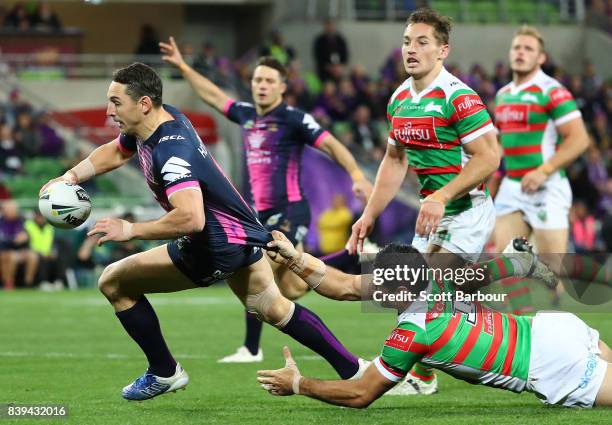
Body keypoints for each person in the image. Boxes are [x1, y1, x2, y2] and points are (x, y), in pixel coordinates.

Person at [39, 63, 368, 401]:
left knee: (113, 282)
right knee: (273, 306)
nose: (109, 111)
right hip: (244, 231)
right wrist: (71, 178)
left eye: (115, 102)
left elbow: (192, 218)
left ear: (144, 104)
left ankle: (164, 372)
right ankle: (355, 369)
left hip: (213, 244)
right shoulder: (160, 121)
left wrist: (131, 229)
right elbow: (117, 150)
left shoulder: (172, 152)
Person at [160, 38, 373, 363]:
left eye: (269, 81)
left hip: (289, 211)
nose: (262, 85)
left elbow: (331, 145)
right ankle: (353, 255)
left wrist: (357, 174)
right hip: (258, 214)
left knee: (255, 263)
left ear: (283, 87)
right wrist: (184, 67)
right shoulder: (246, 115)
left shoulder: (293, 119)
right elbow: (214, 96)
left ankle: (251, 348)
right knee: (293, 288)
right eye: (258, 79)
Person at [258, 235, 612, 409]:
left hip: (551, 365)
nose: (371, 285)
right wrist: (295, 258)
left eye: (379, 280)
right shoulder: (429, 280)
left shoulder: (413, 332)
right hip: (554, 329)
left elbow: (361, 392)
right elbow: (345, 286)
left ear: (398, 288)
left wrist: (299, 384)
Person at [348, 8, 500, 394]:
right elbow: (394, 161)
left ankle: (420, 373)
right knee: (412, 296)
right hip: (432, 217)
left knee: (425, 298)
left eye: (422, 42)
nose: (411, 50)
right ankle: (428, 368)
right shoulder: (399, 99)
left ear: (442, 50)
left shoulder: (459, 98)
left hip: (465, 214)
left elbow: (489, 157)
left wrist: (443, 195)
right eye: (406, 42)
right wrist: (369, 215)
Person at [493, 25, 589, 310]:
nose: (520, 53)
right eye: (516, 48)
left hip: (547, 187)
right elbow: (502, 144)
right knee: (505, 256)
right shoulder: (503, 94)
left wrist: (544, 170)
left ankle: (556, 313)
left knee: (551, 269)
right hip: (512, 186)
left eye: (528, 49)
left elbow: (580, 138)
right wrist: (487, 178)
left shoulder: (552, 91)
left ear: (541, 58)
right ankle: (524, 319)